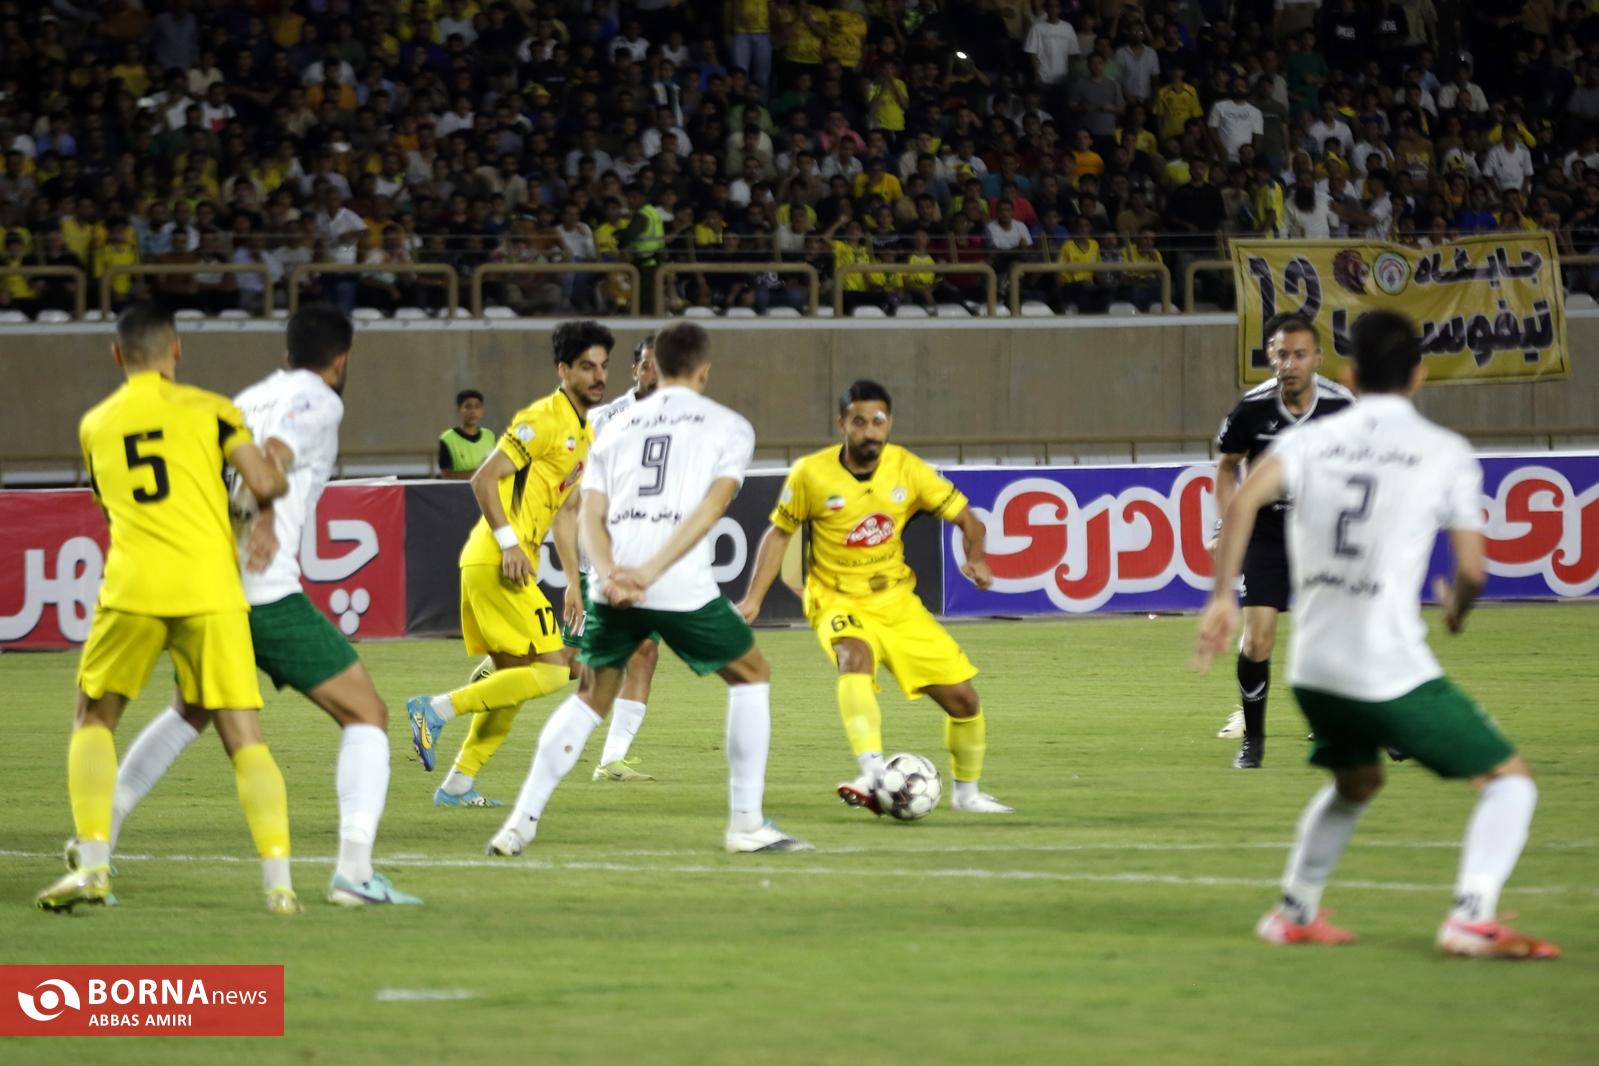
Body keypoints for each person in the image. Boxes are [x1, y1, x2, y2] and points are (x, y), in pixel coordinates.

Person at [1195, 309, 1559, 959]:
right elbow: (1472, 571)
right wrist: (1457, 607)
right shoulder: (1444, 452)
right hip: (1385, 666)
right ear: (1419, 375)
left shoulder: (1306, 443)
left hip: (1313, 672)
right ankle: (1471, 916)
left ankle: (1293, 911)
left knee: (1356, 782)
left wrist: (1223, 596)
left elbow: (1243, 499)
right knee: (1511, 781)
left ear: (1349, 375)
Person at [74, 307, 420, 908]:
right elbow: (274, 457)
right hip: (264, 592)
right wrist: (263, 516)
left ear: (287, 350)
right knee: (366, 713)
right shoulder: (318, 399)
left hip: (211, 586)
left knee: (191, 710)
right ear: (342, 359)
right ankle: (354, 872)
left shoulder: (248, 397)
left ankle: (98, 839)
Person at [487, 321, 811, 856]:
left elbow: (587, 511)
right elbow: (712, 508)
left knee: (590, 696)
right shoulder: (729, 426)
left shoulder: (611, 425)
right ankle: (746, 824)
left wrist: (610, 571)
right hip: (677, 583)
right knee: (752, 674)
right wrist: (651, 570)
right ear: (703, 369)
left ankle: (520, 823)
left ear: (654, 365)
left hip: (611, 582)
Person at [36, 302, 296, 914]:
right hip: (210, 587)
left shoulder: (95, 424)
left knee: (94, 720)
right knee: (244, 737)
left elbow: (110, 505)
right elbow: (264, 484)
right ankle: (280, 886)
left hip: (134, 586)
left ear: (116, 354)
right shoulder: (213, 410)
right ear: (176, 348)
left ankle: (93, 867)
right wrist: (272, 470)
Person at [738, 380, 1013, 815]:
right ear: (842, 424)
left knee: (963, 699)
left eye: (878, 421)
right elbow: (779, 534)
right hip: (836, 599)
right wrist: (754, 599)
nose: (870, 431)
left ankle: (967, 795)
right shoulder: (811, 473)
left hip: (897, 602)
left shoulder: (908, 469)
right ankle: (873, 772)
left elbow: (969, 521)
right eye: (859, 422)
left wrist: (976, 556)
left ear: (890, 423)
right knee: (854, 657)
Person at [406, 321, 612, 806]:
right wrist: (509, 544)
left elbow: (565, 513)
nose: (599, 376)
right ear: (563, 370)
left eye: (603, 366)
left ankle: (458, 785)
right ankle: (436, 708)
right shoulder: (542, 418)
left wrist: (573, 583)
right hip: (497, 561)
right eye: (587, 366)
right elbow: (483, 479)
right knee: (556, 670)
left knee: (513, 683)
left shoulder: (582, 434)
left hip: (503, 563)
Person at [1211, 313, 1354, 768]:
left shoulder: (1342, 406)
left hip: (1321, 531)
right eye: (1281, 355)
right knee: (1258, 639)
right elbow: (1227, 467)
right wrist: (1229, 522)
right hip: (1268, 531)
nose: (1289, 364)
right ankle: (1253, 740)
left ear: (1317, 358)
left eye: (1299, 354)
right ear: (1270, 357)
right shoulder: (1253, 408)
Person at [579, 334, 665, 781]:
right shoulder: (605, 419)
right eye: (648, 364)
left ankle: (611, 760)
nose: (656, 373)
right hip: (606, 551)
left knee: (644, 652)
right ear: (634, 370)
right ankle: (490, 677)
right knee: (568, 663)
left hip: (644, 555)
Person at [438, 388, 496, 481]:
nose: (473, 411)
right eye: (468, 407)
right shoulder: (447, 438)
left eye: (477, 407)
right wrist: (480, 473)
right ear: (458, 410)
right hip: (461, 490)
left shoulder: (490, 436)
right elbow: (446, 475)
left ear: (482, 411)